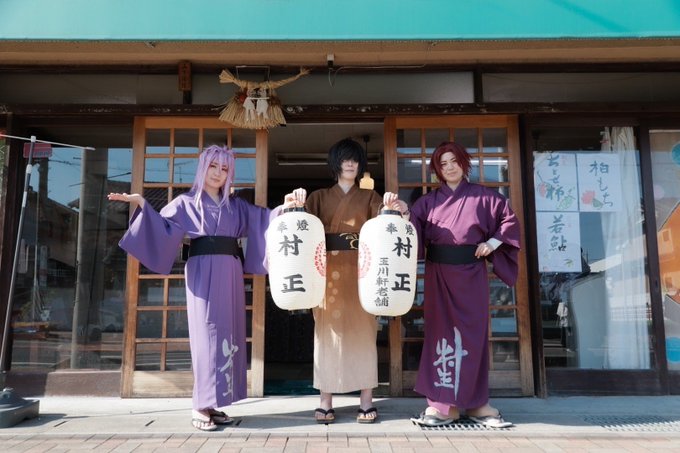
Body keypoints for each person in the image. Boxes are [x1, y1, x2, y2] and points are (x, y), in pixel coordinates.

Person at [108, 145, 293, 431]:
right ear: (203, 168)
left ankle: (213, 402)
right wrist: (142, 203)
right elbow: (161, 226)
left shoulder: (235, 205)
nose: (218, 173)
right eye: (213, 166)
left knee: (228, 333)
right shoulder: (185, 203)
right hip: (203, 269)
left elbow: (264, 219)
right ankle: (199, 403)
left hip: (230, 269)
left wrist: (286, 207)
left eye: (224, 168)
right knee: (207, 335)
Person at [284, 138, 407, 424]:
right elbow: (300, 231)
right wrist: (294, 204)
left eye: (355, 159)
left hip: (362, 272)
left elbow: (387, 227)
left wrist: (396, 208)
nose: (350, 164)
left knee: (364, 334)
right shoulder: (318, 197)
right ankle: (325, 400)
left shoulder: (371, 197)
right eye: (344, 159)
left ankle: (366, 400)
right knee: (326, 336)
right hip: (326, 273)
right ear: (335, 163)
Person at [408, 141, 520, 429]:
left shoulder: (486, 197)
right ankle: (442, 405)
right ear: (437, 170)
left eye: (453, 161)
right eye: (442, 164)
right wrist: (402, 214)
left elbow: (509, 222)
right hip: (439, 276)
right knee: (441, 335)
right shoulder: (428, 202)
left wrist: (492, 242)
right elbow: (411, 231)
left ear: (463, 162)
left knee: (472, 337)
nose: (449, 168)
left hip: (472, 274)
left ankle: (477, 403)